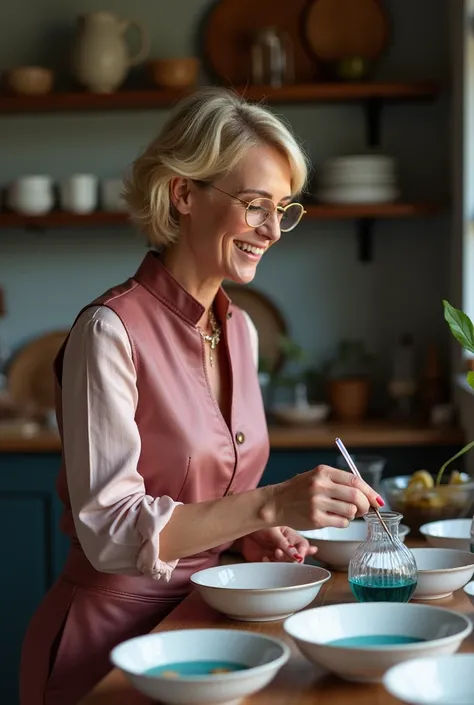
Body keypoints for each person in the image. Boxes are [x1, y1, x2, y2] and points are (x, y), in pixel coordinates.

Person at [20, 87, 383, 705]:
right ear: (183, 194)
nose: (272, 230)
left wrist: (242, 536)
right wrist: (267, 508)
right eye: (255, 205)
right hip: (113, 644)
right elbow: (111, 534)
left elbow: (207, 498)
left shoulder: (237, 328)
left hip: (211, 623)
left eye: (283, 209)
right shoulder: (107, 331)